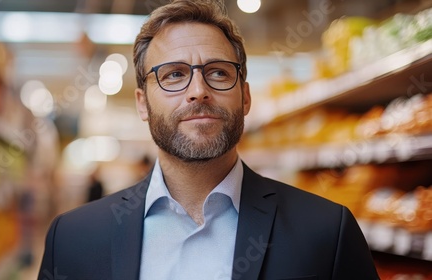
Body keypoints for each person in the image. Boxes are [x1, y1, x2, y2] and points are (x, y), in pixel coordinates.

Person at [38, 0, 379, 279]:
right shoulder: (73, 239)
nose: (198, 92)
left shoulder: (326, 233)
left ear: (245, 97)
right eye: (173, 75)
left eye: (218, 72)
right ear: (143, 103)